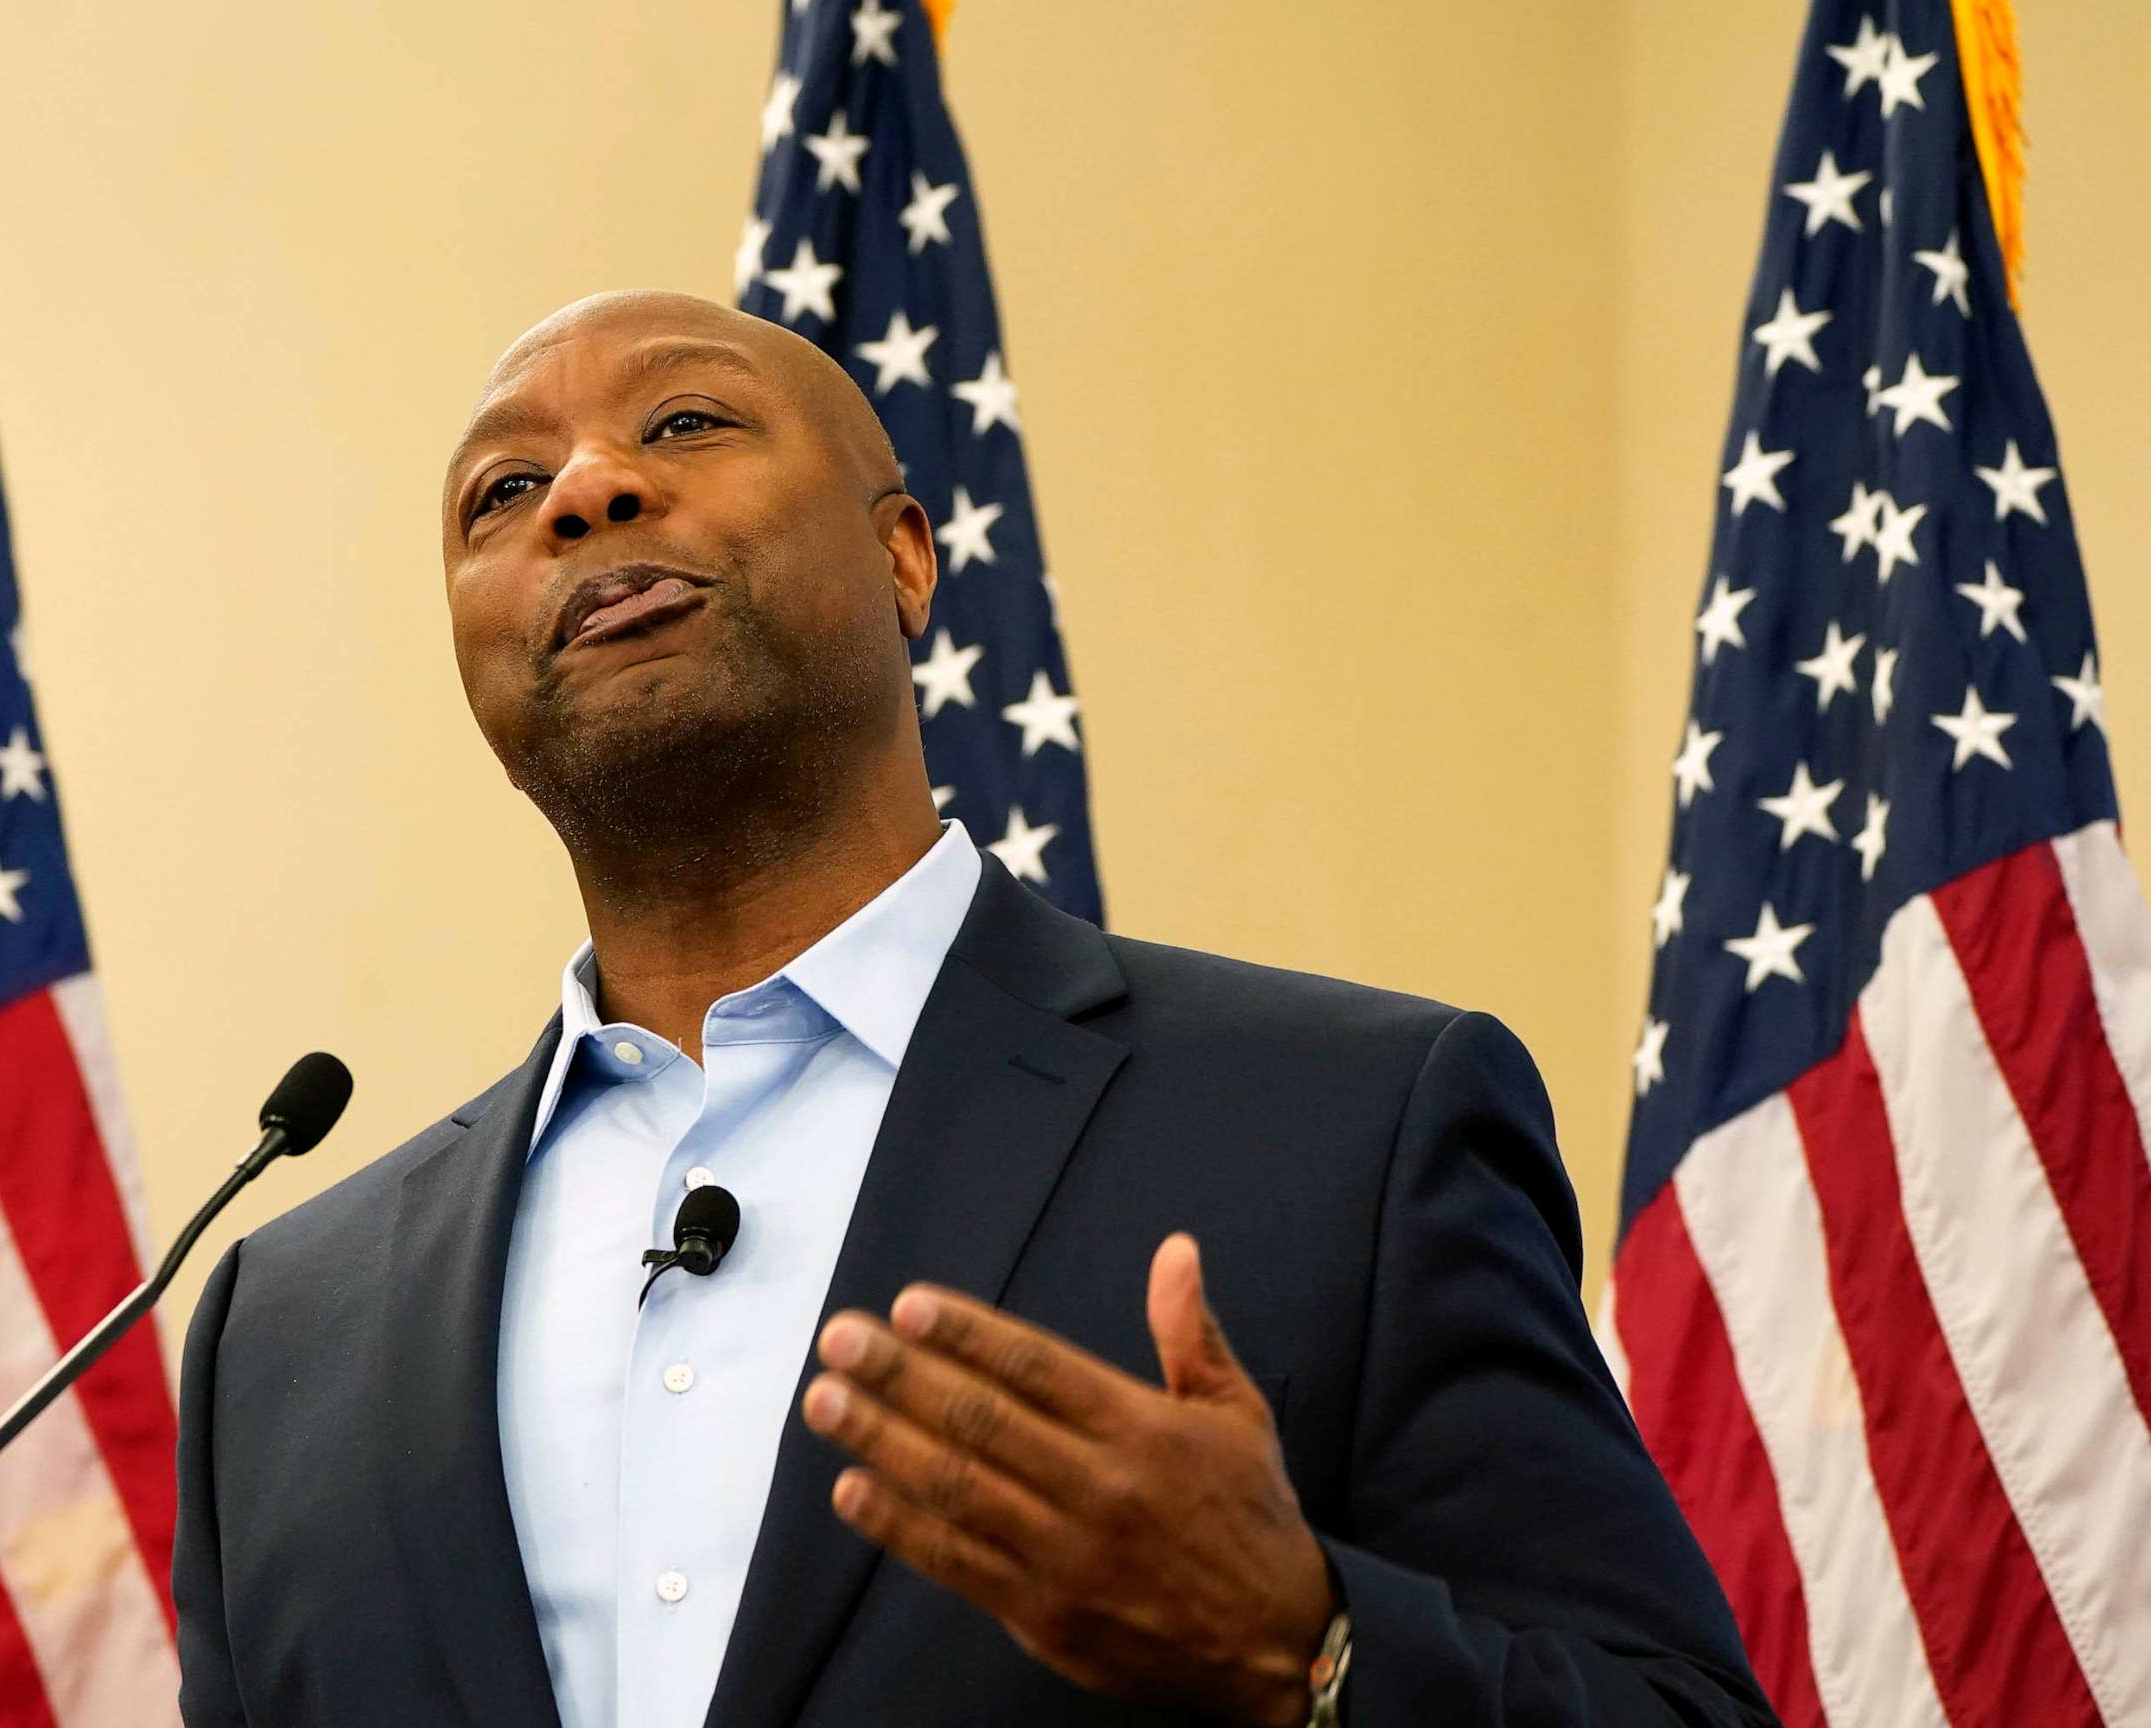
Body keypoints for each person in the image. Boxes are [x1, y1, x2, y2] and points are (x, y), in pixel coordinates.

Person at [169, 290, 1778, 1728]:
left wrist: (1312, 1655)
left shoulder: (1350, 1129)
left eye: (684, 422)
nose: (588, 488)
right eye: (505, 494)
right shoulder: (281, 1333)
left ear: (904, 555)